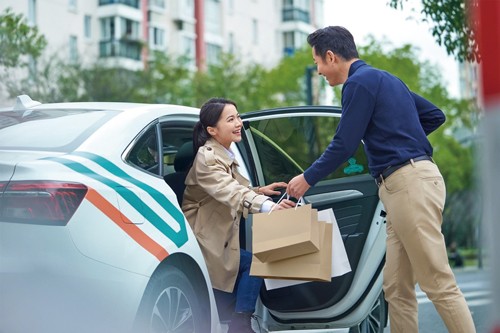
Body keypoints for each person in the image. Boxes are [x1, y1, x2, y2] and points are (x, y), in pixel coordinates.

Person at [286, 26, 476, 333]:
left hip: (409, 184)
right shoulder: (387, 79)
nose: (319, 71)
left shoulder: (357, 84)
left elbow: (344, 144)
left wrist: (307, 179)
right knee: (396, 288)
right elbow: (434, 116)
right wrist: (397, 136)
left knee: (437, 280)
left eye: (318, 62)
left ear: (331, 57)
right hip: (404, 185)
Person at [182, 97, 295, 333]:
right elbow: (229, 190)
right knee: (255, 262)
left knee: (254, 262)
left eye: (238, 117)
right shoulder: (208, 158)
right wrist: (268, 206)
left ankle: (240, 322)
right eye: (231, 119)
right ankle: (240, 324)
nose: (239, 123)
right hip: (205, 240)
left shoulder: (224, 155)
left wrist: (259, 192)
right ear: (212, 130)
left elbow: (230, 189)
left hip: (218, 238)